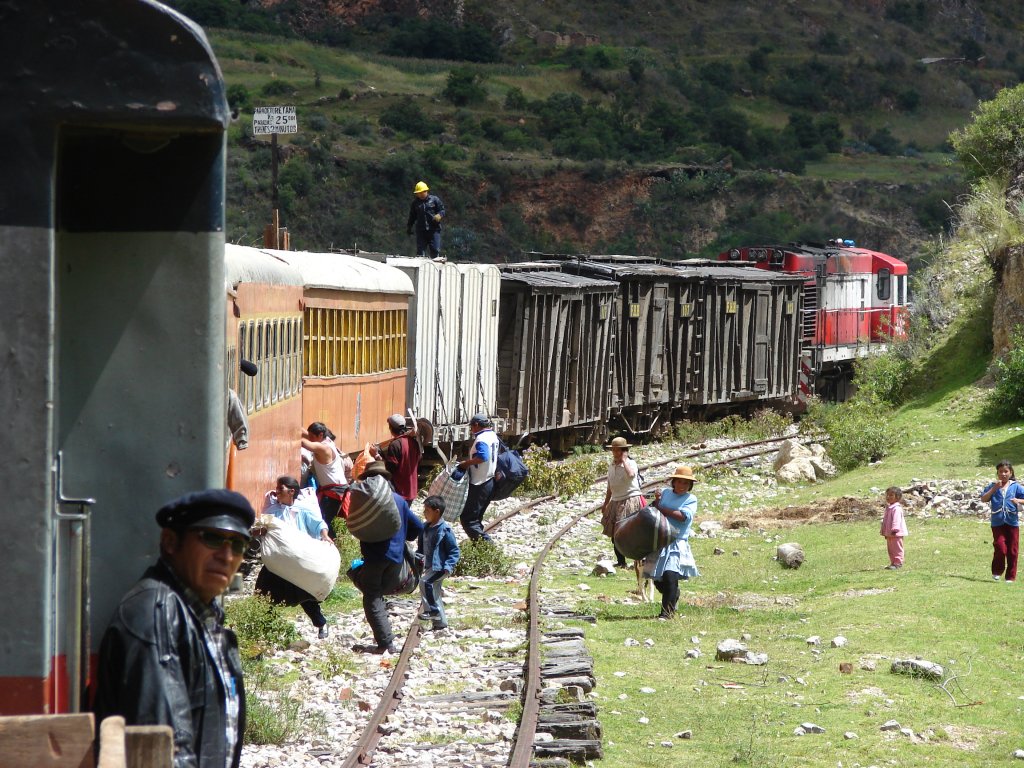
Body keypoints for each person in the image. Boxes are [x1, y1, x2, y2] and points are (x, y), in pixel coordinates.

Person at [93, 489, 254, 768]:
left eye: (238, 545)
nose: (227, 556)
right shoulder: (155, 614)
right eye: (213, 538)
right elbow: (165, 750)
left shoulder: (202, 616)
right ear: (170, 542)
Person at [353, 461, 424, 654]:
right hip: (395, 556)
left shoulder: (363, 500)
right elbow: (418, 527)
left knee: (372, 596)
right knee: (380, 591)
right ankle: (385, 636)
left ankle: (385, 642)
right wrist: (403, 535)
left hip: (373, 557)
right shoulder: (398, 500)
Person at [255, 475, 333, 639]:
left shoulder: (303, 509)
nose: (276, 492)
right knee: (263, 592)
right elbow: (262, 527)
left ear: (291, 491)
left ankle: (321, 623)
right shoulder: (272, 511)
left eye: (280, 488)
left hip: (298, 560)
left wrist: (325, 536)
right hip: (277, 560)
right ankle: (264, 628)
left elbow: (319, 524)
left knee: (305, 594)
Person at [646, 466, 700, 620]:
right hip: (659, 539)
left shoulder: (691, 499)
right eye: (679, 482)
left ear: (690, 485)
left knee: (670, 576)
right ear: (674, 482)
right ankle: (674, 594)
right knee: (657, 579)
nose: (682, 486)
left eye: (686, 483)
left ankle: (666, 613)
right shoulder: (665, 494)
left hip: (676, 541)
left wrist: (662, 509)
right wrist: (657, 502)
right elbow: (653, 509)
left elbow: (683, 517)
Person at [417, 495, 460, 631]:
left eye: (427, 510)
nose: (424, 513)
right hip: (430, 566)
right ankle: (440, 623)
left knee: (425, 582)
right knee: (434, 592)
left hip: (441, 567)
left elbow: (454, 551)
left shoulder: (445, 530)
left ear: (437, 512)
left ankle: (432, 611)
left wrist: (448, 566)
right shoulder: (424, 528)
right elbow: (420, 548)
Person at [301, 421, 353, 531]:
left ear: (320, 435)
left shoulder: (324, 448)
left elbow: (304, 443)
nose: (309, 438)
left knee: (327, 524)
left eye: (312, 436)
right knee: (330, 523)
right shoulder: (328, 441)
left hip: (333, 494)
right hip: (336, 491)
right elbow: (305, 435)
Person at [601, 436, 644, 568]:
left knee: (630, 532)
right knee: (615, 533)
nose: (615, 452)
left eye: (618, 450)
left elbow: (631, 475)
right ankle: (621, 561)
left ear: (624, 450)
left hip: (630, 499)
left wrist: (624, 461)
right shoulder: (611, 465)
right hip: (616, 501)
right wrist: (606, 503)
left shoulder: (631, 463)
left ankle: (639, 559)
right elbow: (610, 486)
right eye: (613, 450)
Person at [457, 414, 500, 542]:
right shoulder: (493, 435)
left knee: (468, 520)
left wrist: (466, 464)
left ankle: (488, 546)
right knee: (476, 519)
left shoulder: (482, 439)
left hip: (479, 483)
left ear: (476, 425)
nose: (471, 430)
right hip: (489, 481)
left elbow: (483, 456)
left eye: (471, 427)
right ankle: (479, 546)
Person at [980, 460, 1024, 582]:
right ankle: (997, 571)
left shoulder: (1015, 486)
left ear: (1011, 473)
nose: (1003, 474)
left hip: (1012, 522)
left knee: (1013, 550)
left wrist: (1018, 501)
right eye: (1000, 471)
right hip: (997, 522)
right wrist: (994, 489)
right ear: (997, 473)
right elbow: (983, 499)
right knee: (1000, 547)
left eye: (1006, 471)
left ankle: (1010, 577)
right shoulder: (992, 486)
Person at [380, 413, 422, 503]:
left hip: (399, 492)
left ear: (391, 428)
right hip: (411, 491)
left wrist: (378, 456)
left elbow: (390, 469)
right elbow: (418, 461)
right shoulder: (414, 443)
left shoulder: (395, 445)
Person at [406, 180, 445, 258]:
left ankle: (435, 264)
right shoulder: (415, 203)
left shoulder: (434, 200)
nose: (420, 194)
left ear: (426, 191)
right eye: (418, 193)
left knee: (435, 250)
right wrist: (409, 227)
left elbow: (442, 210)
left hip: (434, 229)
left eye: (422, 192)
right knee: (420, 252)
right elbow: (412, 217)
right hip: (421, 231)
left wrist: (439, 215)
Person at [880, 486, 908, 570]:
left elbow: (896, 520)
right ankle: (893, 563)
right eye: (887, 495)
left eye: (891, 495)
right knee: (891, 549)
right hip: (889, 533)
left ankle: (898, 563)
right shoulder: (889, 508)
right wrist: (884, 531)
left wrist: (895, 529)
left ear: (897, 497)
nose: (888, 497)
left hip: (896, 533)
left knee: (897, 548)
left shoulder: (896, 508)